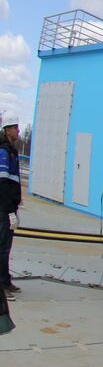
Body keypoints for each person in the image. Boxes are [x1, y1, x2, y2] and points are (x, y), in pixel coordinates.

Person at [0, 116, 21, 296]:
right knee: (3, 246)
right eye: (15, 128)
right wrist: (8, 210)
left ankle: (5, 280)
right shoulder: (4, 153)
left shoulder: (12, 151)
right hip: (3, 207)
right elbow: (3, 183)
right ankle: (2, 285)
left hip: (9, 206)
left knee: (6, 246)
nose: (18, 131)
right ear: (7, 130)